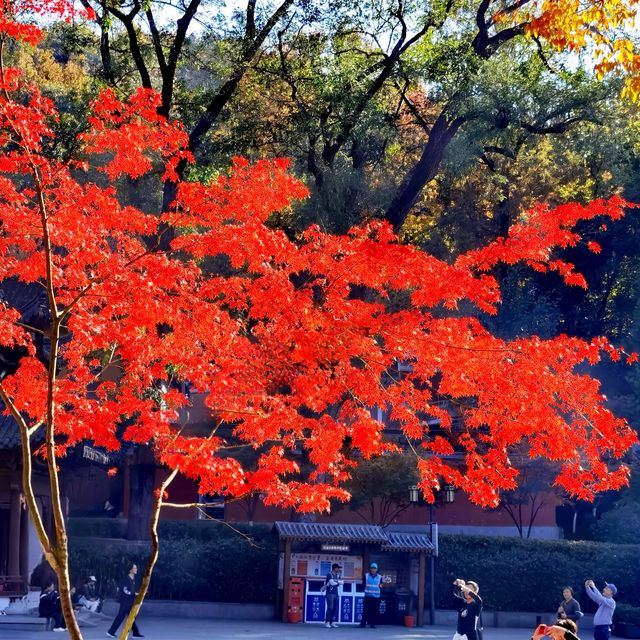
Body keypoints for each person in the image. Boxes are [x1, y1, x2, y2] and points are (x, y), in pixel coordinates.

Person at [106, 563, 144, 638]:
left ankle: (135, 633)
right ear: (130, 570)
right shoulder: (126, 579)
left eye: (136, 568)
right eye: (135, 568)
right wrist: (134, 593)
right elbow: (124, 590)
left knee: (130, 617)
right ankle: (111, 632)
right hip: (125, 601)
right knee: (121, 616)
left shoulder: (134, 579)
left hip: (131, 601)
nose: (136, 569)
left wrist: (137, 593)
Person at [359, 562, 382, 629]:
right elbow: (363, 584)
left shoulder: (380, 577)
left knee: (374, 611)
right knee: (365, 610)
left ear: (377, 569)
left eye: (374, 568)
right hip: (368, 596)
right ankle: (363, 624)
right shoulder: (366, 575)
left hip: (376, 597)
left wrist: (380, 588)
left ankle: (372, 624)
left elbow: (381, 585)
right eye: (372, 568)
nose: (373, 569)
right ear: (370, 569)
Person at [323, 563, 343, 628]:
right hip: (330, 593)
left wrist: (338, 581)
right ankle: (327, 622)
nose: (339, 569)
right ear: (335, 568)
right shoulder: (329, 574)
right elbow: (332, 583)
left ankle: (332, 622)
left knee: (335, 608)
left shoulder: (337, 575)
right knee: (330, 607)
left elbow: (342, 582)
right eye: (338, 568)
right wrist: (338, 583)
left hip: (336, 593)